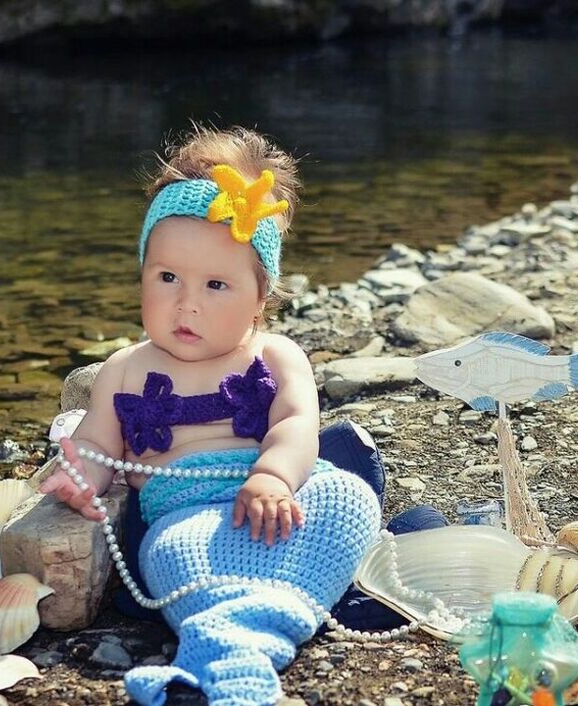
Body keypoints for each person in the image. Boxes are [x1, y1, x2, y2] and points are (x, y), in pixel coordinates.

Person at [38, 125, 384, 706]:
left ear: (261, 295)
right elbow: (97, 444)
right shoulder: (124, 367)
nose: (186, 303)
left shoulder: (274, 355)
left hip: (282, 499)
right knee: (169, 554)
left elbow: (296, 425)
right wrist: (81, 481)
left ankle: (254, 619)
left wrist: (273, 475)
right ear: (142, 273)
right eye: (167, 277)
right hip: (186, 515)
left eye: (216, 284)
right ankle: (249, 634)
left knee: (351, 500)